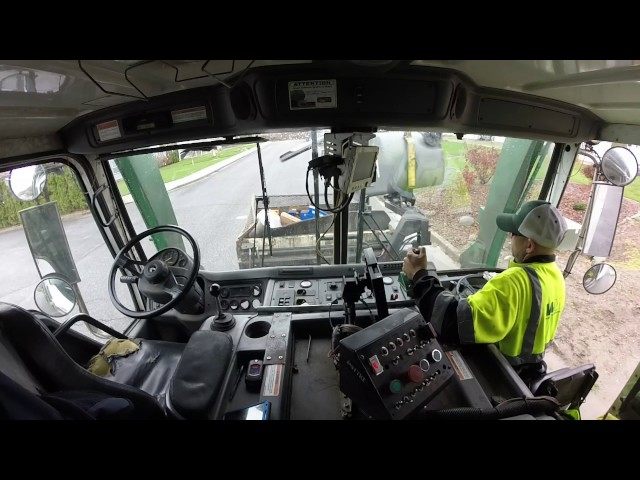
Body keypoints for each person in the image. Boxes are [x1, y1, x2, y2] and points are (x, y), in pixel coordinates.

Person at [402, 200, 568, 387]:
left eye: (514, 233)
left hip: (501, 377)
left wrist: (420, 275)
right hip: (528, 375)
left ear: (529, 246)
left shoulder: (513, 281)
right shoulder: (556, 277)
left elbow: (452, 321)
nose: (510, 237)